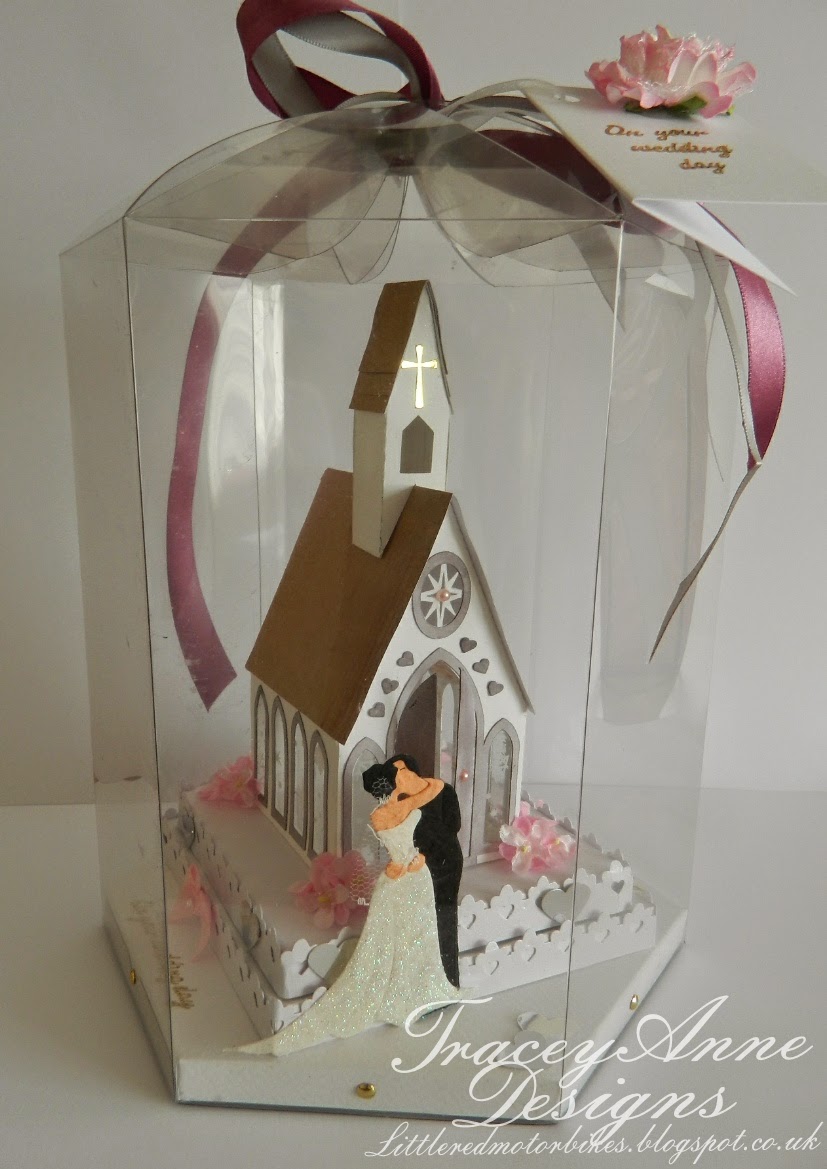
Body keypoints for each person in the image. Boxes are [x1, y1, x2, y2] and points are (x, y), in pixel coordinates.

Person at [235, 762, 463, 1057]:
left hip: (418, 876)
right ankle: (406, 990)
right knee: (399, 934)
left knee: (421, 931)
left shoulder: (403, 807)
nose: (390, 790)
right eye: (393, 783)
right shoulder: (390, 813)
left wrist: (416, 857)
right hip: (405, 876)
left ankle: (425, 983)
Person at [363, 754, 463, 986]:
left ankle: (448, 976)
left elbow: (453, 825)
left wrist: (427, 850)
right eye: (393, 777)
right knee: (420, 921)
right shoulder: (400, 805)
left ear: (410, 769)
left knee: (444, 914)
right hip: (417, 867)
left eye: (400, 772)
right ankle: (421, 976)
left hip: (446, 861)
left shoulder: (442, 790)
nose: (398, 780)